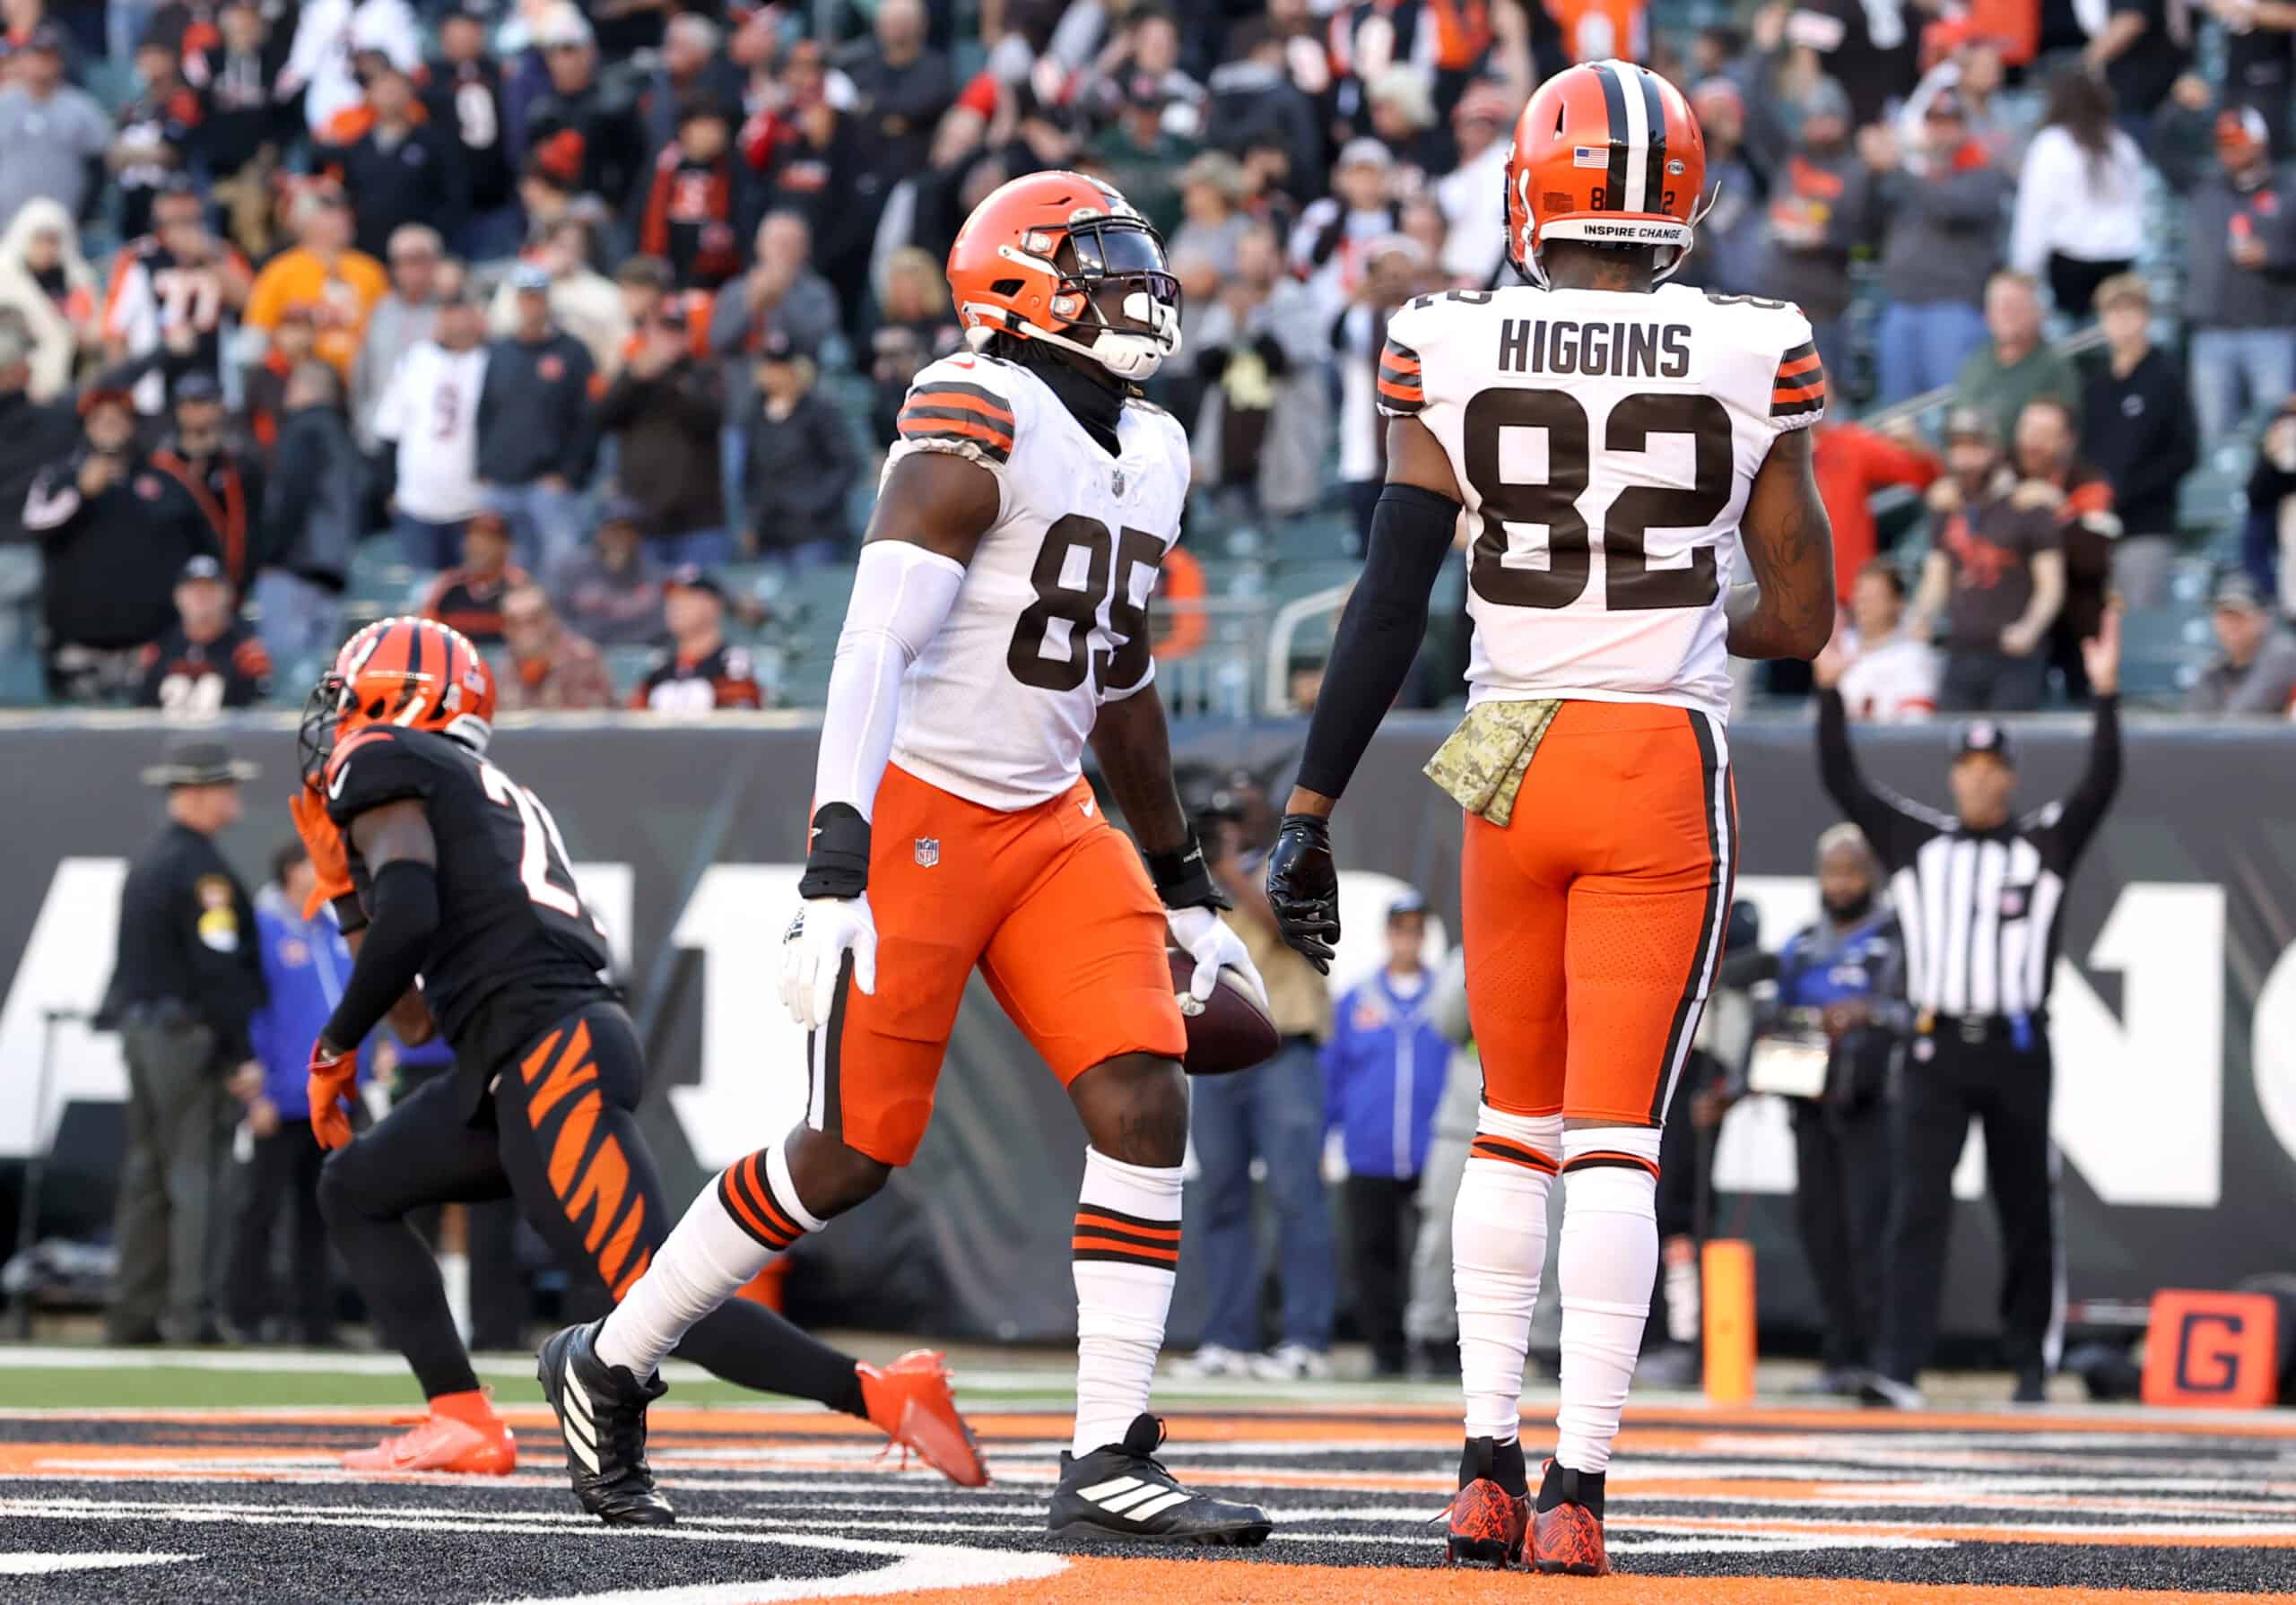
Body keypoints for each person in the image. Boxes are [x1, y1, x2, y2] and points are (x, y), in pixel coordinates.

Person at [552, 170, 1274, 1546]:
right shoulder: (973, 405)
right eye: (1098, 259)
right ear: (1017, 285)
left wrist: (1182, 880)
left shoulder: (1159, 448)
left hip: (1054, 820)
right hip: (926, 809)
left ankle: (1107, 1448)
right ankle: (611, 1357)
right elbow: (874, 640)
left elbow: (1116, 674)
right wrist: (838, 858)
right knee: (849, 1153)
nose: (1136, 283)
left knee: (1142, 1096)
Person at [1261, 62, 1836, 1575]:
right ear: (1679, 201)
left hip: (1503, 744)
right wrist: (1689, 611)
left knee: (1509, 1124)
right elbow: (1807, 610)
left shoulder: (1445, 338)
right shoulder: (1750, 344)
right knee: (1617, 1143)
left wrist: (1312, 804)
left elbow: (1391, 594)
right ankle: (1578, 1491)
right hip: (1653, 747)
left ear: (1537, 187)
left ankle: (1479, 1464)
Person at [282, 618, 979, 1473]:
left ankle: (882, 1396)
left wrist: (333, 1045)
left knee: (656, 1295)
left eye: (349, 697)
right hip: (517, 1058)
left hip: (547, 1055)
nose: (339, 719)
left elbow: (413, 916)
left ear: (398, 698)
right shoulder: (473, 787)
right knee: (356, 1186)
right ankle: (461, 1417)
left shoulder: (384, 756)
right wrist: (350, 900)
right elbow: (419, 1020)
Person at [1813, 612, 2123, 1407]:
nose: (1981, 778)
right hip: (1934, 1051)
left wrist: (2107, 695)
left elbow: (2099, 786)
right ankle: (1898, 1366)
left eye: (1995, 766)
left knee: (2027, 1208)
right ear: (1953, 774)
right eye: (1970, 765)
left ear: (2012, 776)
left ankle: (2029, 1365)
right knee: (1916, 1210)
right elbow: (1844, 780)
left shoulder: (2045, 845)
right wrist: (1828, 693)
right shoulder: (1918, 842)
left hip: (2018, 1048)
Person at [101, 738, 268, 1344]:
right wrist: (239, 1052)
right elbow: (217, 968)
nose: (234, 798)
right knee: (198, 1175)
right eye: (226, 787)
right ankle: (189, 1314)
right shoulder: (204, 874)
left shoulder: (150, 864)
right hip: (188, 1040)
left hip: (145, 1033)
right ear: (198, 793)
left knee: (148, 1174)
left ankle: (131, 1311)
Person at [1179, 786, 1335, 1383]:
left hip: (1285, 1049)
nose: (1234, 826)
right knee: (1222, 1196)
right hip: (1219, 1055)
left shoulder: (1298, 860)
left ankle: (1305, 1339)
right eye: (1223, 819)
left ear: (1266, 815)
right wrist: (1204, 875)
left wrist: (1230, 869)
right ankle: (1228, 1338)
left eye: (1241, 814)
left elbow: (1288, 926)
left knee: (1297, 1196)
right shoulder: (1201, 878)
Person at [1754, 826, 1905, 1393]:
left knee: (1872, 1229)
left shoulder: (1897, 941)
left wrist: (1866, 1012)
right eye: (1832, 873)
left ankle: (1878, 1358)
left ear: (1871, 875)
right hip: (1812, 1105)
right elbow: (1780, 1021)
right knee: (1821, 1230)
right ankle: (1838, 1356)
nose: (1841, 884)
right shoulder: (1801, 946)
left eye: (1852, 872)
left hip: (1873, 1102)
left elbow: (1914, 1009)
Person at [230, 838, 362, 1345]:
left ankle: (314, 1322)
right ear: (290, 871)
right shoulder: (263, 928)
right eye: (315, 864)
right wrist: (254, 1089)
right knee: (259, 1211)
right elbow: (252, 1012)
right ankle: (245, 1315)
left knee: (320, 1214)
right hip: (279, 1096)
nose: (327, 872)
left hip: (330, 1100)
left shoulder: (333, 930)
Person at [1321, 893, 1450, 1377]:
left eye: (1416, 931)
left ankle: (1439, 1345)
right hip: (1370, 1152)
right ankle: (1387, 1351)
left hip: (1432, 1150)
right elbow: (1332, 1075)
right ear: (1387, 935)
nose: (1407, 939)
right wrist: (1326, 1138)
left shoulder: (1445, 1002)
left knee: (1439, 1252)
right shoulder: (1357, 1000)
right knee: (1374, 1253)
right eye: (1400, 930)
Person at [24, 386, 217, 701]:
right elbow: (34, 524)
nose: (110, 424)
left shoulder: (166, 481)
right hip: (78, 649)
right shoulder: (59, 477)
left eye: (119, 418)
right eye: (100, 418)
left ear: (133, 424)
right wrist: (79, 494)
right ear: (87, 426)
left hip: (148, 646)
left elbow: (200, 550)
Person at [1906, 407, 2066, 713]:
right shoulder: (1948, 505)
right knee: (1950, 746)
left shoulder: (2029, 504)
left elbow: (2051, 586)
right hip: (1961, 651)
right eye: (1957, 448)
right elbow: (1936, 578)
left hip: (2013, 656)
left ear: (1995, 450)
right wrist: (1922, 616)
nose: (1965, 459)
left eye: (1975, 447)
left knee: (2012, 749)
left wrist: (2029, 629)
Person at [1866, 91, 2013, 405]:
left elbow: (1951, 206)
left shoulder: (1984, 172)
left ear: (1964, 128)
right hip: (1902, 305)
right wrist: (1871, 170)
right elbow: (1867, 220)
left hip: (1953, 308)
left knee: (1951, 408)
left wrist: (1898, 170)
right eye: (1934, 123)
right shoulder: (1913, 178)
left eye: (1950, 123)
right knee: (1898, 416)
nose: (1941, 131)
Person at [2183, 108, 2296, 452]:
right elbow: (2165, 150)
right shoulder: (2206, 188)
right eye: (2223, 143)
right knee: (2213, 438)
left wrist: (2274, 257)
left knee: (2277, 435)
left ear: (2259, 142)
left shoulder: (2289, 189)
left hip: (2271, 329)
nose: (2228, 150)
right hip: (2212, 333)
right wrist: (2179, 107)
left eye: (2237, 142)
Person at [2081, 273, 2197, 608]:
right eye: (2112, 312)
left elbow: (2185, 452)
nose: (2121, 322)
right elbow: (2084, 450)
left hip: (2147, 527)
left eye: (2129, 311)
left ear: (2146, 317)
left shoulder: (2165, 375)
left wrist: (2125, 492)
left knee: (2141, 624)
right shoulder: (2096, 384)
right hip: (2096, 530)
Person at [477, 265, 595, 571]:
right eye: (524, 298)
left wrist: (570, 474)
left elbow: (587, 421)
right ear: (516, 302)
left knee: (560, 572)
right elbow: (485, 411)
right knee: (502, 573)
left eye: (537, 297)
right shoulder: (499, 351)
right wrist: (484, 466)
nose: (531, 305)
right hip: (501, 483)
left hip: (549, 486)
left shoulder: (573, 352)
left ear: (547, 300)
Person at [100, 178, 251, 417]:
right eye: (172, 201)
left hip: (216, 384)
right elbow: (114, 333)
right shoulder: (137, 258)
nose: (180, 209)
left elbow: (249, 301)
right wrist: (120, 393)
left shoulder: (221, 253)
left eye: (186, 201)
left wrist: (207, 258)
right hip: (154, 392)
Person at [592, 302, 727, 568]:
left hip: (698, 520)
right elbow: (601, 418)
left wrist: (670, 377)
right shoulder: (633, 376)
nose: (669, 341)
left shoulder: (704, 372)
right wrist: (633, 377)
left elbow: (710, 419)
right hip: (643, 519)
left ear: (687, 337)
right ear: (648, 336)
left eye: (676, 332)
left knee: (703, 600)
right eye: (663, 332)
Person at [2007, 67, 2147, 321]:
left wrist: (2024, 269)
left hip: (2071, 264)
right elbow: (2139, 207)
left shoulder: (2051, 144)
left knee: (2075, 347)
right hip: (2119, 259)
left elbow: (2035, 211)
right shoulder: (2122, 144)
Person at [253, 360, 361, 670]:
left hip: (295, 570)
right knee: (315, 675)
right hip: (334, 573)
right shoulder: (344, 436)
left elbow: (292, 498)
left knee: (288, 677)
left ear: (304, 389)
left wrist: (269, 554)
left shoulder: (303, 428)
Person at [375, 282, 489, 573]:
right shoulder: (416, 359)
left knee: (469, 599)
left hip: (473, 504)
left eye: (459, 310)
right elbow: (389, 428)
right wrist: (390, 489)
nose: (452, 319)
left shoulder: (491, 361)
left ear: (477, 316)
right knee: (421, 598)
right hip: (417, 501)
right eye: (446, 310)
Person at [2012, 396, 2120, 703]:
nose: (2033, 442)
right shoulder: (2004, 476)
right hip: (2014, 626)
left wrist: (2056, 509)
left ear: (2067, 441)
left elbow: (2093, 558)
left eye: (2045, 435)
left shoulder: (2090, 482)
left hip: (2076, 626)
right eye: (2028, 431)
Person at [242, 190, 388, 382]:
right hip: (297, 379)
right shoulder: (280, 271)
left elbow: (388, 328)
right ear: (306, 222)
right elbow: (256, 336)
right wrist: (282, 340)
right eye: (329, 212)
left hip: (362, 377)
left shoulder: (370, 271)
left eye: (342, 212)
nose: (342, 219)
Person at [741, 326, 855, 569]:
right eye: (771, 366)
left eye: (783, 366)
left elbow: (846, 464)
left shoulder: (819, 412)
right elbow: (750, 473)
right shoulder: (755, 414)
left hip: (814, 531)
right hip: (770, 531)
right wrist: (752, 519)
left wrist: (816, 502)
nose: (776, 373)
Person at [338, 62, 467, 263]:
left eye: (397, 88)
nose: (391, 95)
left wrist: (436, 236)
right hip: (368, 250)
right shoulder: (356, 148)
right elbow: (348, 197)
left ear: (410, 94)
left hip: (420, 254)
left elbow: (454, 197)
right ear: (369, 95)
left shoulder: (434, 143)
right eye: (383, 88)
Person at [150, 373, 263, 592]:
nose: (193, 410)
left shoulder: (240, 466)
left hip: (231, 584)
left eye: (201, 402)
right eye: (186, 403)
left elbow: (255, 529)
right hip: (176, 587)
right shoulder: (161, 467)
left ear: (219, 406)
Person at [1813, 419, 1942, 600]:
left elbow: (1923, 475)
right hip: (1799, 597)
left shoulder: (1849, 443)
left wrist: (1916, 448)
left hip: (1851, 595)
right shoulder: (1772, 460)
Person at [0, 25, 112, 230]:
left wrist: (86, 211)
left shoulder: (81, 108)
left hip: (61, 229)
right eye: (36, 55)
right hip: (5, 226)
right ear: (22, 59)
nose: (42, 63)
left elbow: (103, 161)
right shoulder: (4, 103)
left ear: (60, 62)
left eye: (49, 56)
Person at [348, 224, 444, 454]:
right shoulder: (381, 310)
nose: (405, 270)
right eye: (398, 261)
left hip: (432, 440)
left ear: (434, 262)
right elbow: (362, 376)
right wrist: (365, 426)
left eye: (414, 260)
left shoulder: (449, 311)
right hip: (380, 440)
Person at [136, 554, 272, 712]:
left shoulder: (247, 651)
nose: (201, 597)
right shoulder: (158, 649)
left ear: (228, 595)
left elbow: (260, 712)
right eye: (193, 589)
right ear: (177, 596)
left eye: (210, 589)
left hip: (228, 736)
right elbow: (143, 710)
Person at [1955, 273, 2080, 443]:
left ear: (2038, 313)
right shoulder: (1975, 362)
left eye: (2017, 307)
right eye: (2001, 307)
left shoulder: (2055, 367)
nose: (2008, 315)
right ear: (1987, 315)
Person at [627, 568, 763, 712]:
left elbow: (740, 723)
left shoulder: (731, 662)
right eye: (671, 600)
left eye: (686, 599)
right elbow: (635, 719)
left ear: (713, 606)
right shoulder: (660, 665)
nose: (675, 607)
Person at [548, 498, 664, 646]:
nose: (619, 537)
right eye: (612, 529)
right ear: (598, 531)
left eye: (627, 529)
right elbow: (556, 617)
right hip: (584, 652)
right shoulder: (571, 569)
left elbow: (660, 624)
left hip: (639, 654)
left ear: (637, 536)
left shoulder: (653, 573)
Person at [1834, 560, 1940, 721]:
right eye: (1859, 594)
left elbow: (1916, 726)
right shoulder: (1839, 646)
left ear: (1897, 604)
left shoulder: (1913, 655)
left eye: (1873, 596)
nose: (1863, 603)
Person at [2186, 572, 2296, 714]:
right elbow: (2192, 722)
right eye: (2226, 616)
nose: (2232, 625)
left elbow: (2243, 716)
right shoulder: (2217, 668)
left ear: (2263, 619)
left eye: (2240, 616)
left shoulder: (2283, 655)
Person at [498, 582, 615, 710]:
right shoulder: (508, 663)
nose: (525, 630)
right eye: (514, 623)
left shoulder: (583, 659)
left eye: (534, 620)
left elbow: (590, 721)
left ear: (551, 619)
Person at [421, 510, 529, 647]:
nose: (478, 546)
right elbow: (426, 633)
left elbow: (533, 641)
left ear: (506, 546)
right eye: (473, 537)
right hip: (456, 662)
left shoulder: (519, 585)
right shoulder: (447, 584)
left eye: (489, 540)